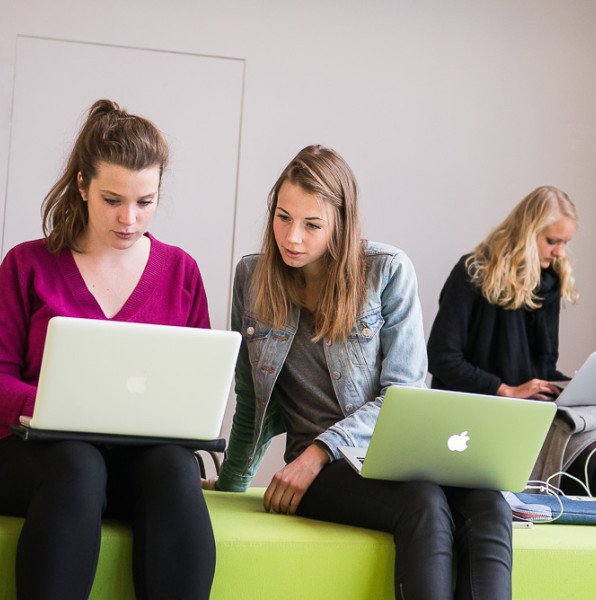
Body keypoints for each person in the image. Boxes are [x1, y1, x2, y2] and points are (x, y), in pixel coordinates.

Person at [208, 145, 512, 599]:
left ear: (340, 225)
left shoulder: (385, 271)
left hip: (386, 456)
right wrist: (230, 488)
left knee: (488, 504)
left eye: (312, 225)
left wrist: (317, 450)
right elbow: (251, 399)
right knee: (424, 503)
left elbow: (403, 393)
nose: (292, 237)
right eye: (283, 217)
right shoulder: (252, 278)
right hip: (326, 476)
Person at [0, 99, 216, 599]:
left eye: (146, 201)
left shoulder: (181, 272)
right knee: (78, 462)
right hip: (43, 462)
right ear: (82, 185)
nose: (129, 218)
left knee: (174, 467)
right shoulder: (27, 264)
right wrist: (53, 406)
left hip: (140, 466)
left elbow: (199, 387)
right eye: (112, 199)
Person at [427, 186, 596, 496]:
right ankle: (563, 532)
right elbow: (441, 357)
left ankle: (594, 533)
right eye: (552, 241)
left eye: (565, 243)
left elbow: (544, 365)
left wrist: (574, 388)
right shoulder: (472, 272)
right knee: (588, 451)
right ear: (526, 232)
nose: (559, 252)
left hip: (527, 406)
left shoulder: (550, 282)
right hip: (481, 405)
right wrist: (506, 390)